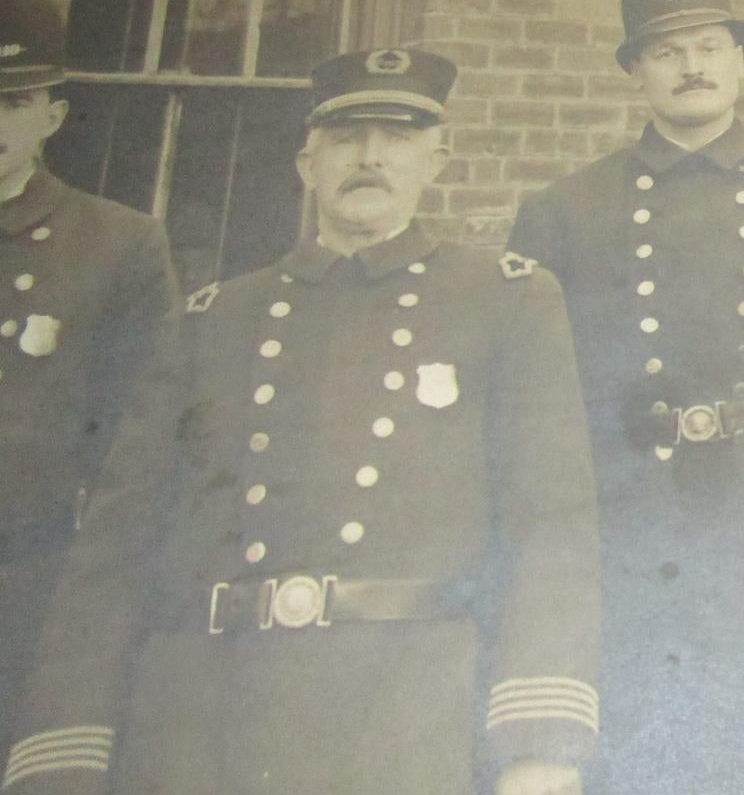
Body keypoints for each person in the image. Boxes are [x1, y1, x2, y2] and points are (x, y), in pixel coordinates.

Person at [4, 47, 600, 795]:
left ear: (436, 161)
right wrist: (65, 746)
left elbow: (551, 525)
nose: (370, 157)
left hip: (405, 715)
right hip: (205, 719)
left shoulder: (505, 299)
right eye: (347, 137)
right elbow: (118, 542)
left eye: (397, 138)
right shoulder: (215, 318)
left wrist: (537, 743)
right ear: (306, 163)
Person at [508, 0, 744, 792]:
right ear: (635, 71)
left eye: (711, 46)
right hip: (637, 542)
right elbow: (537, 406)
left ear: (741, 59)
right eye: (666, 49)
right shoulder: (565, 210)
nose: (692, 67)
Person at [0, 0, 179, 755]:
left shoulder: (117, 245)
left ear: (53, 116)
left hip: (32, 586)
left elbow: (141, 442)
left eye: (13, 100)